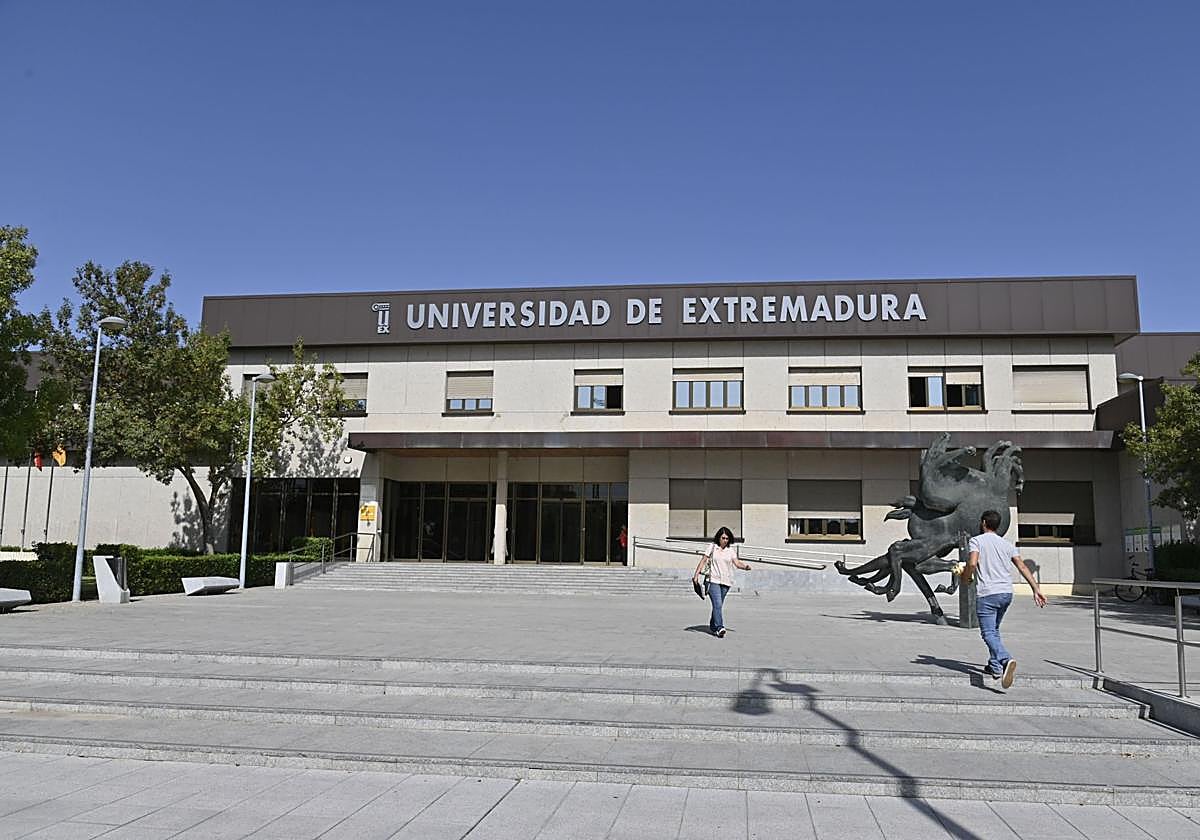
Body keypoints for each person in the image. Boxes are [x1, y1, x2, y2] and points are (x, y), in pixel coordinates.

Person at [961, 509, 1046, 688]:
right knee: (995, 630)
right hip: (1006, 593)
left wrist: (966, 576)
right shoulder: (1007, 544)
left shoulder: (976, 540)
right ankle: (995, 667)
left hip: (987, 593)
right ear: (997, 525)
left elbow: (973, 563)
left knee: (988, 633)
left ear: (983, 522)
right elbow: (1022, 566)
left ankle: (1005, 660)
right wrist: (1036, 589)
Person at [692, 526, 751, 637]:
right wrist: (696, 576)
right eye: (723, 538)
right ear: (718, 538)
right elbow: (703, 561)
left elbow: (737, 563)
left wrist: (745, 566)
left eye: (727, 538)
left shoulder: (730, 551)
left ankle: (713, 626)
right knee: (718, 604)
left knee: (718, 606)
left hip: (726, 582)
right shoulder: (712, 547)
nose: (725, 540)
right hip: (712, 580)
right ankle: (720, 627)